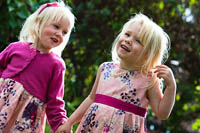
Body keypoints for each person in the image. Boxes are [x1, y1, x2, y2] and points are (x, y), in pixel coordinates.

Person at [57, 13, 176, 133]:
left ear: (147, 55)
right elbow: (91, 99)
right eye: (127, 34)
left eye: (138, 41)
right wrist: (69, 122)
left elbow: (162, 113)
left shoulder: (149, 79)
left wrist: (171, 87)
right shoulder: (105, 69)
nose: (128, 40)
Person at [0, 1, 75, 132]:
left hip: (24, 119)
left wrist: (60, 124)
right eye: (56, 27)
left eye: (64, 32)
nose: (59, 34)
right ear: (39, 23)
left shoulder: (56, 65)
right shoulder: (15, 48)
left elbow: (54, 101)